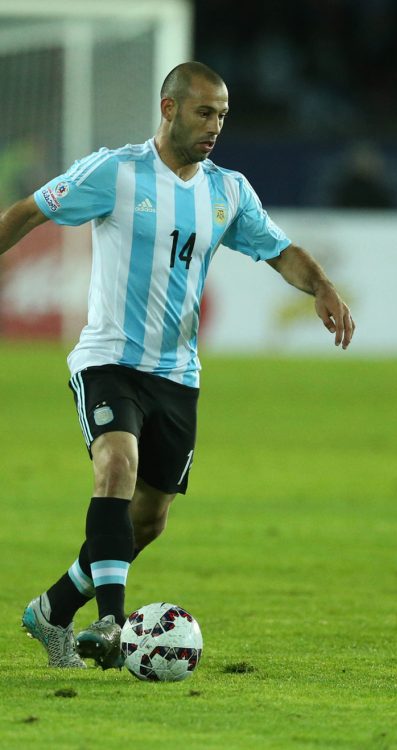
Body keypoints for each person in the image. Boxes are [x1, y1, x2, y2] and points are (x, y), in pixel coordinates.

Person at [1, 61, 355, 670]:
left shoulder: (227, 191)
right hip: (109, 357)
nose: (215, 125)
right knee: (116, 463)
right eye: (204, 112)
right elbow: (29, 211)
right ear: (169, 109)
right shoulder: (114, 172)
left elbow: (278, 249)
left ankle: (54, 609)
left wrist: (321, 285)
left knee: (148, 519)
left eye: (222, 115)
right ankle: (112, 625)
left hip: (177, 373)